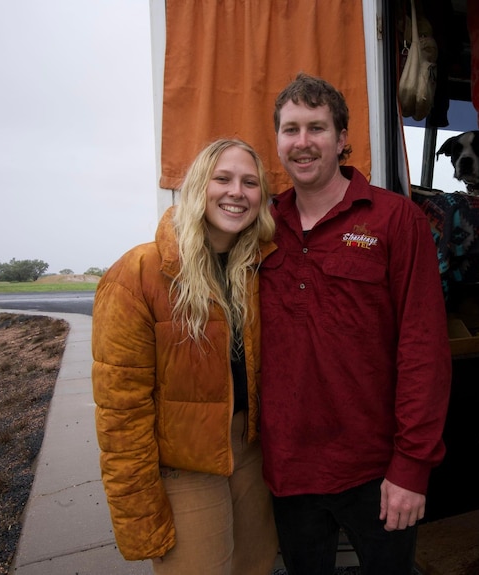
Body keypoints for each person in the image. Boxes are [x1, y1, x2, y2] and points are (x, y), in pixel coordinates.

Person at [259, 73, 452, 575]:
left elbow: (424, 349)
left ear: (342, 139)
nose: (303, 143)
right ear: (277, 140)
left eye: (317, 128)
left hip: (377, 469)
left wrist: (412, 467)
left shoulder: (395, 220)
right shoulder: (260, 225)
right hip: (287, 468)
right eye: (290, 129)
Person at [91, 138, 279, 574]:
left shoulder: (258, 268)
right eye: (223, 178)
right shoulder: (139, 273)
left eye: (250, 182)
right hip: (184, 464)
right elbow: (121, 409)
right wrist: (139, 509)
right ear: (198, 186)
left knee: (255, 566)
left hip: (250, 453)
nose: (237, 192)